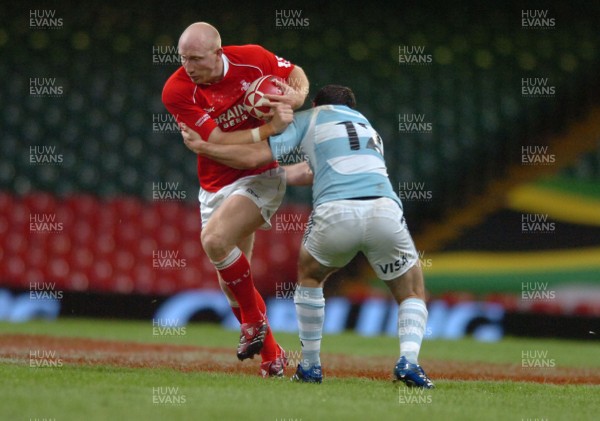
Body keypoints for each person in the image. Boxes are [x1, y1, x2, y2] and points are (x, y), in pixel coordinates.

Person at [180, 85, 435, 388]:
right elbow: (319, 169)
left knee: (311, 279)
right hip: (384, 210)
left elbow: (253, 158)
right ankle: (409, 360)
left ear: (315, 104)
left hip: (336, 213)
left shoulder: (310, 117)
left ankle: (311, 366)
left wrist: (205, 148)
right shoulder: (368, 126)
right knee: (412, 291)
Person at [162, 22, 309, 377]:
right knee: (232, 291)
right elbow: (217, 140)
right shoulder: (176, 90)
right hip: (215, 185)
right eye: (184, 59)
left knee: (214, 240)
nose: (189, 67)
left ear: (219, 52)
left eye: (196, 59)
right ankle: (273, 357)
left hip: (261, 177)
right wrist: (269, 130)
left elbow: (297, 74)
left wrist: (295, 98)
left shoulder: (254, 59)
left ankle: (254, 325)